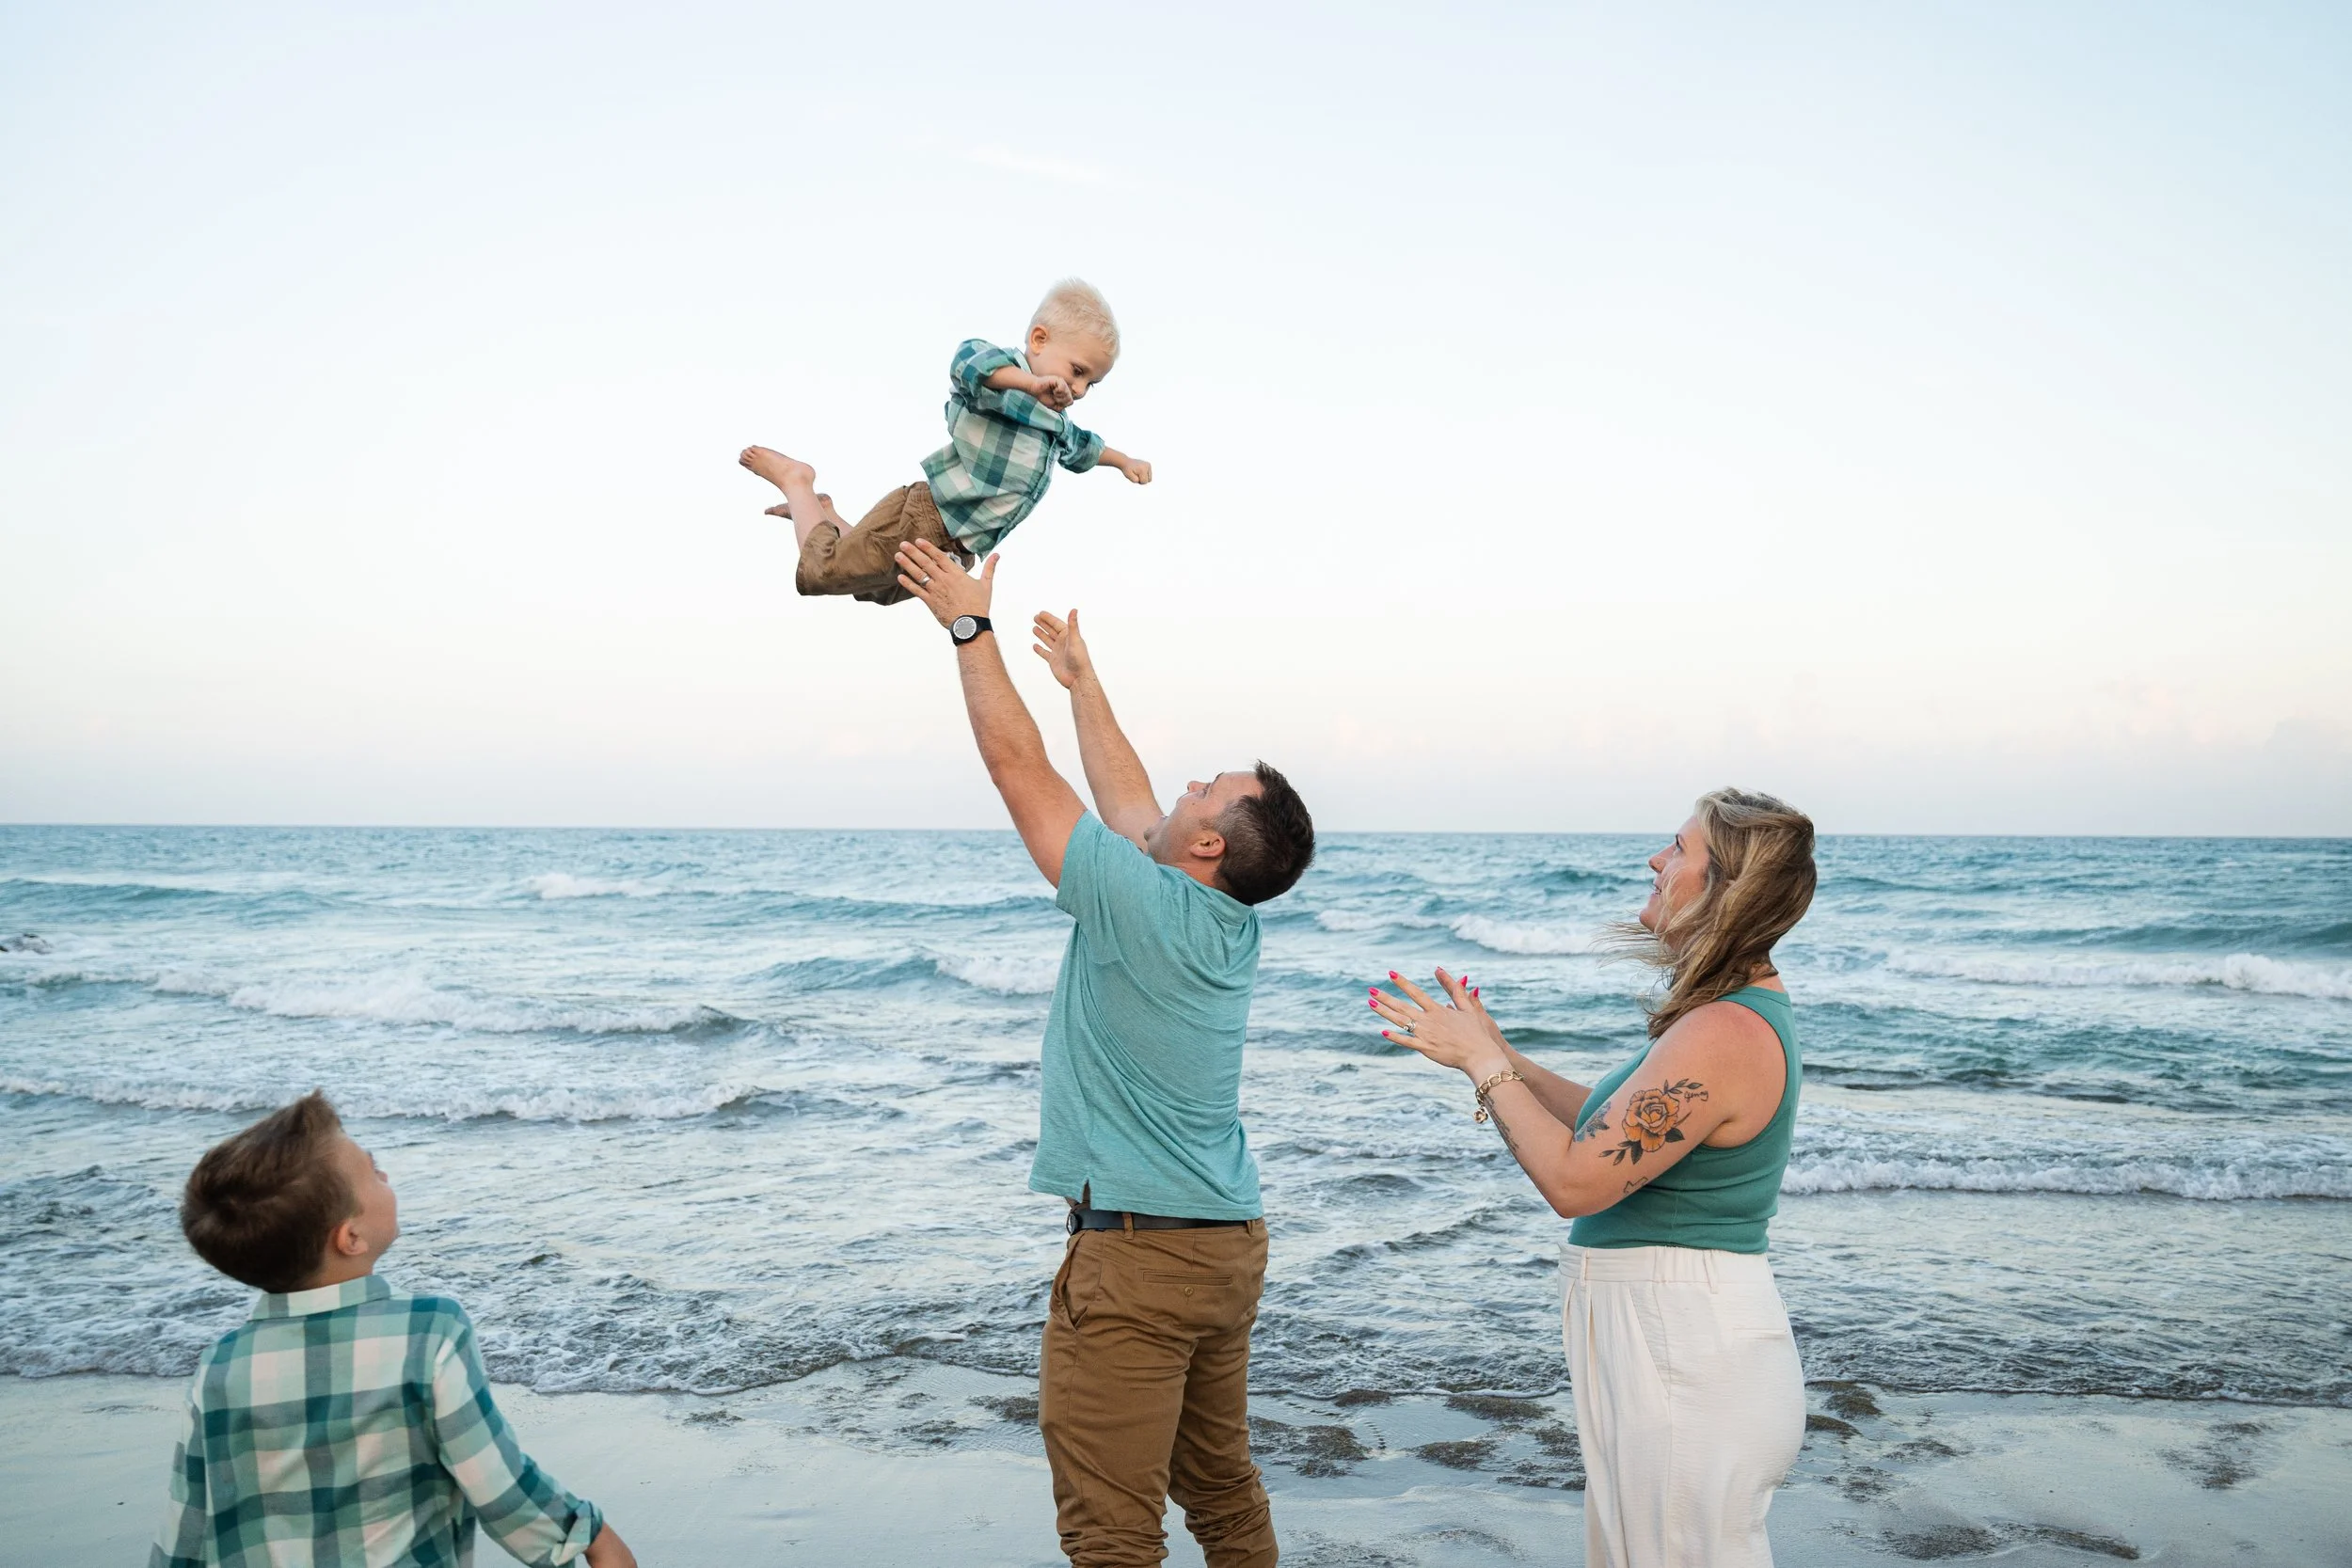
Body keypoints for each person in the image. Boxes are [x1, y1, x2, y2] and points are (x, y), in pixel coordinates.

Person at [888, 535, 1316, 1568]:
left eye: (1202, 788)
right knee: (1221, 1490)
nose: (1180, 787)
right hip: (1221, 1243)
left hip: (1136, 1257)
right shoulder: (1217, 917)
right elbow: (1132, 809)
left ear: (1209, 843)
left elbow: (1014, 769)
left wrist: (966, 623)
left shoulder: (1141, 900)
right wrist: (1085, 683)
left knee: (1110, 1531)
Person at [1370, 789, 1818, 1568]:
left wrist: (1482, 1067)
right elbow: (1606, 1130)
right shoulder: (1723, 1016)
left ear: (1725, 887)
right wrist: (1501, 1054)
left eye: (1679, 848)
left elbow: (1576, 1181)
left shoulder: (1725, 1030)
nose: (1656, 860)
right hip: (1676, 1342)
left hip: (1687, 1350)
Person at [150, 1091, 635, 1568]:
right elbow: (496, 1481)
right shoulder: (427, 1333)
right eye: (372, 1169)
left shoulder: (220, 1365)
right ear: (350, 1237)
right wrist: (587, 1533)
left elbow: (189, 1522)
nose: (384, 1176)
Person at [739, 277, 1153, 606]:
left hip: (958, 547)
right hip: (926, 516)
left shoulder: (1055, 423)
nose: (1078, 389)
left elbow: (1085, 446)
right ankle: (797, 481)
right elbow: (968, 363)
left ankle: (822, 513)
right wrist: (1030, 382)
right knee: (821, 572)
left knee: (878, 589)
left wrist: (1122, 461)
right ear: (1039, 340)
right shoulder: (1004, 382)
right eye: (1077, 371)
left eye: (1090, 384)